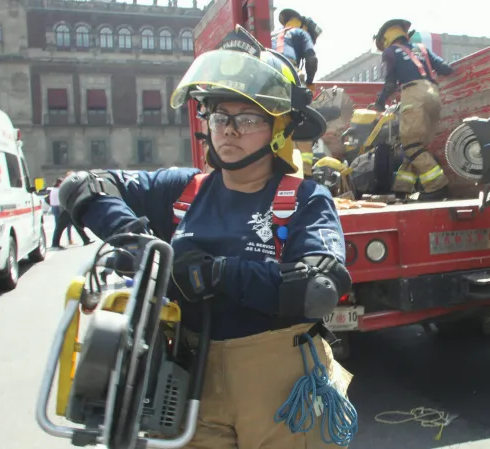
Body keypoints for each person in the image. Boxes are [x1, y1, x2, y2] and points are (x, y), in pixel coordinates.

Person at [58, 26, 356, 448]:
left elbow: (318, 290)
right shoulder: (182, 189)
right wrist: (140, 245)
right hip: (189, 380)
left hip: (282, 384)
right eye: (220, 117)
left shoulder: (304, 198)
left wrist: (215, 274)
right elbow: (83, 186)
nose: (230, 130)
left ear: (279, 127)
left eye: (247, 118)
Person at [373, 18, 454, 201]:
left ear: (386, 39)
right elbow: (445, 68)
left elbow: (390, 83)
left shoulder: (390, 52)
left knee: (411, 145)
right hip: (434, 95)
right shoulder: (422, 49)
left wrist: (380, 103)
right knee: (417, 146)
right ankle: (402, 189)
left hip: (414, 95)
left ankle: (438, 186)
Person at [272, 8, 322, 178]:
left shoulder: (274, 34)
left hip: (267, 77)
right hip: (288, 72)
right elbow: (312, 60)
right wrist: (310, 83)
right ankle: (306, 174)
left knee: (278, 121)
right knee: (302, 121)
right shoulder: (301, 32)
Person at [50, 176, 93, 248]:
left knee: (76, 225)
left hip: (64, 210)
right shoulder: (58, 190)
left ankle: (86, 239)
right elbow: (61, 201)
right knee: (60, 228)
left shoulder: (55, 190)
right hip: (64, 210)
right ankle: (55, 243)